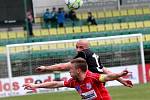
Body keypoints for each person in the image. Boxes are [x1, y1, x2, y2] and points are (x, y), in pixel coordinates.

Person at [36, 39, 133, 88]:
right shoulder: (93, 54)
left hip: (93, 80)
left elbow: (62, 66)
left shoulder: (83, 54)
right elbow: (104, 69)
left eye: (81, 47)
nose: (78, 49)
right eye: (77, 47)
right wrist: (121, 80)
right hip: (99, 80)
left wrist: (46, 68)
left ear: (86, 47)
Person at [23, 58, 129, 100]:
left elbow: (108, 77)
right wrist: (35, 86)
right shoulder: (73, 81)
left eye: (71, 69)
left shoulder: (92, 77)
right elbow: (55, 84)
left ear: (78, 70)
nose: (69, 71)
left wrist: (119, 74)